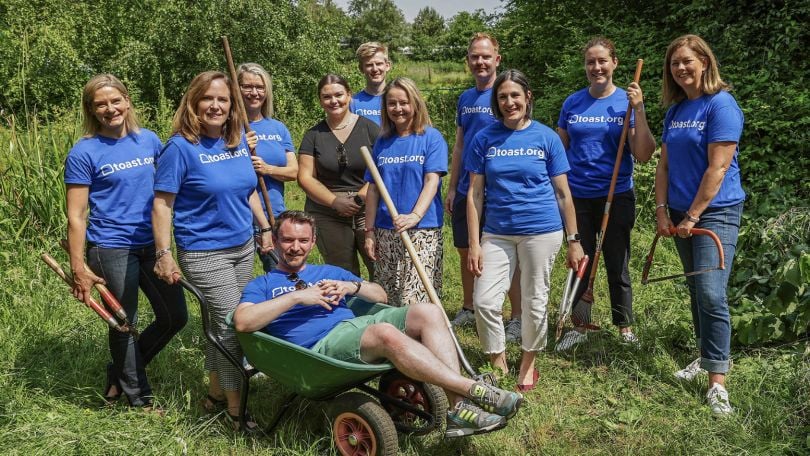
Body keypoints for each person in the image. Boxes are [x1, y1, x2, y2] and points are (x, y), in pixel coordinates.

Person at [233, 211, 524, 437]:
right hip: (320, 350)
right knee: (383, 332)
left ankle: (458, 409)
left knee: (428, 311)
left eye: (302, 241)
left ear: (312, 242)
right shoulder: (264, 284)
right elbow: (243, 321)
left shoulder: (328, 270)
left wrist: (351, 288)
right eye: (287, 240)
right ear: (276, 241)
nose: (295, 247)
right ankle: (473, 390)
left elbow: (380, 295)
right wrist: (297, 298)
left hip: (357, 326)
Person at [152, 70, 272, 430]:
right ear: (193, 102)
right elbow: (162, 204)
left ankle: (215, 394)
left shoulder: (236, 140)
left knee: (221, 325)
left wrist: (265, 227)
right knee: (234, 325)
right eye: (208, 98)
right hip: (204, 251)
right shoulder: (179, 148)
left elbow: (248, 189)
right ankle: (237, 412)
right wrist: (164, 253)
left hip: (242, 244)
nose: (216, 105)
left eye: (223, 99)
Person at [65, 74, 187, 410]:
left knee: (175, 317)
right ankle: (139, 398)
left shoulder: (148, 140)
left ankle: (119, 373)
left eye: (115, 100)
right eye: (100, 104)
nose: (110, 108)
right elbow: (76, 216)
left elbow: (168, 187)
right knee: (124, 323)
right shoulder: (84, 151)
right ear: (91, 109)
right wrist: (79, 267)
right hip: (111, 247)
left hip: (151, 244)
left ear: (127, 100)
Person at [466, 70, 585, 391]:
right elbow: (475, 194)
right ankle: (498, 359)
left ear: (528, 97)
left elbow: (563, 194)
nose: (509, 102)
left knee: (535, 298)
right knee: (485, 300)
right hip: (497, 232)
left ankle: (529, 364)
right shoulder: (484, 139)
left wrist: (574, 241)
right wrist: (475, 244)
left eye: (515, 96)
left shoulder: (546, 138)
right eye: (502, 97)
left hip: (542, 231)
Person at [655, 34, 745, 416]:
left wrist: (693, 215)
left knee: (711, 293)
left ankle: (717, 384)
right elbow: (663, 164)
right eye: (675, 64)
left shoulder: (721, 105)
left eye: (687, 61)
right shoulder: (676, 111)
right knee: (695, 290)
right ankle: (705, 357)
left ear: (704, 62)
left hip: (714, 212)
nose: (681, 69)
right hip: (677, 212)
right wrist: (662, 210)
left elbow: (718, 167)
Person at [555, 37, 655, 350]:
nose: (596, 67)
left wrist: (639, 109)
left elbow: (643, 153)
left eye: (602, 61)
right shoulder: (572, 103)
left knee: (617, 260)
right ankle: (580, 324)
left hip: (616, 194)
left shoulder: (626, 103)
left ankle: (624, 327)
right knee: (579, 260)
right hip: (578, 196)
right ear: (585, 66)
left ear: (614, 63)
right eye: (590, 62)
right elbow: (560, 150)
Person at [445, 33, 523, 342]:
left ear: (497, 60)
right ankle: (469, 307)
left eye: (486, 56)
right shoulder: (465, 98)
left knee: (507, 254)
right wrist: (452, 188)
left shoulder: (507, 95)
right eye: (475, 57)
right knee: (466, 248)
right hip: (468, 187)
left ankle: (516, 316)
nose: (480, 62)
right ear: (468, 61)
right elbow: (460, 145)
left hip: (498, 190)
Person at [363, 77, 447, 307]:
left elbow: (432, 181)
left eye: (403, 102)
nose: (397, 109)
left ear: (415, 103)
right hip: (386, 229)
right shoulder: (382, 142)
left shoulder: (431, 138)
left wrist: (415, 216)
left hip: (422, 229)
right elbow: (373, 190)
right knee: (388, 296)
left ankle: (422, 340)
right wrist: (369, 231)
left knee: (416, 299)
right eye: (392, 103)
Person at [298, 74, 379, 278]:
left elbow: (383, 171)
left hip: (367, 207)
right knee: (343, 275)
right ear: (320, 100)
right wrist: (335, 202)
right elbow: (305, 177)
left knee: (379, 266)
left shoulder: (370, 129)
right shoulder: (313, 135)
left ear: (349, 95)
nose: (334, 101)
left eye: (339, 95)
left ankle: (384, 309)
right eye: (327, 97)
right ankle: (351, 310)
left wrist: (359, 198)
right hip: (326, 211)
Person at [238, 62, 298, 272]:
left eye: (260, 87)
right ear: (236, 90)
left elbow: (293, 172)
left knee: (281, 275)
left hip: (275, 214)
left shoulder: (278, 128)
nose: (254, 92)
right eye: (247, 86)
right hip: (241, 218)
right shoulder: (227, 128)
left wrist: (267, 169)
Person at [350, 42, 391, 125]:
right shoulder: (352, 103)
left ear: (387, 66)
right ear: (361, 69)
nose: (375, 69)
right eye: (369, 65)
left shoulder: (399, 101)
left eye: (379, 64)